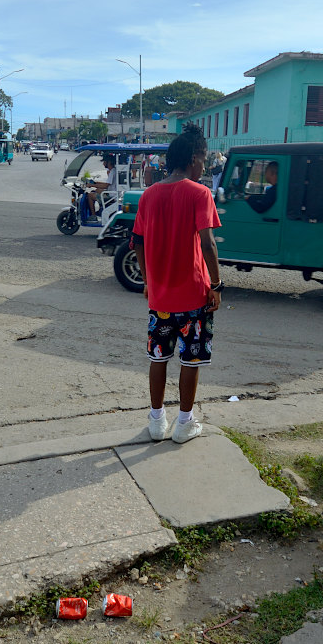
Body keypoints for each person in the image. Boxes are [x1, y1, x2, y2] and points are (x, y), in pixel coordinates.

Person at [132, 123, 222, 444]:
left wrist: (147, 280)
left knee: (158, 357)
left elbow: (137, 242)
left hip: (161, 298)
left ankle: (157, 420)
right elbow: (208, 244)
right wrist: (217, 284)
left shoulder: (149, 196)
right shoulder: (200, 193)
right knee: (190, 360)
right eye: (204, 159)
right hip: (195, 295)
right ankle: (184, 423)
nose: (205, 165)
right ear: (194, 158)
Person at [85, 153, 119, 218]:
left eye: (104, 162)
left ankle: (93, 215)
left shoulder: (112, 172)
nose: (103, 164)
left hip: (112, 195)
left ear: (108, 162)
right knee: (96, 190)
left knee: (90, 195)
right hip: (112, 193)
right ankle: (100, 210)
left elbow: (105, 186)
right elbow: (107, 184)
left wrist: (92, 185)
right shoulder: (113, 171)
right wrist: (96, 183)